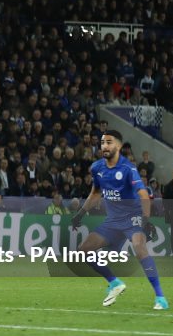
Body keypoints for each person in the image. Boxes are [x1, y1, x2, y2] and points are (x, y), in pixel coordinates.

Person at [71, 130, 167, 310]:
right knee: (84, 249)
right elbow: (96, 193)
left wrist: (145, 221)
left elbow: (144, 194)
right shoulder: (97, 168)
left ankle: (160, 297)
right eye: (102, 142)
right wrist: (80, 214)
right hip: (113, 221)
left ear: (119, 146)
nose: (104, 146)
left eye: (109, 142)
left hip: (133, 218)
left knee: (139, 248)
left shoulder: (128, 169)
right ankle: (114, 282)